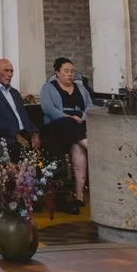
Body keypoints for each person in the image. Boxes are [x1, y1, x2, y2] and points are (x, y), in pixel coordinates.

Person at [37, 58, 94, 205]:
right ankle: (90, 145)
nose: (70, 74)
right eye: (66, 71)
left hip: (78, 126)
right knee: (68, 123)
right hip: (57, 126)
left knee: (77, 147)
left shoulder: (81, 89)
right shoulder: (48, 88)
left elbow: (90, 106)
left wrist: (83, 117)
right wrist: (70, 117)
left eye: (72, 71)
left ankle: (79, 195)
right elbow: (48, 109)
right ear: (57, 72)